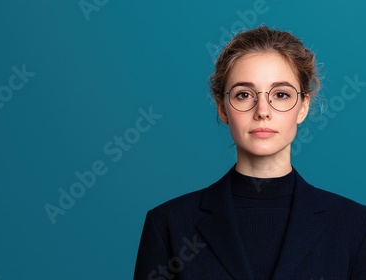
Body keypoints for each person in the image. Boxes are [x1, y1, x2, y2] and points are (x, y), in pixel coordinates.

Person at [134, 25, 366, 280]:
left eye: (280, 94)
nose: (262, 111)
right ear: (222, 108)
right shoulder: (168, 224)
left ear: (303, 107)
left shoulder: (355, 226)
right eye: (244, 94)